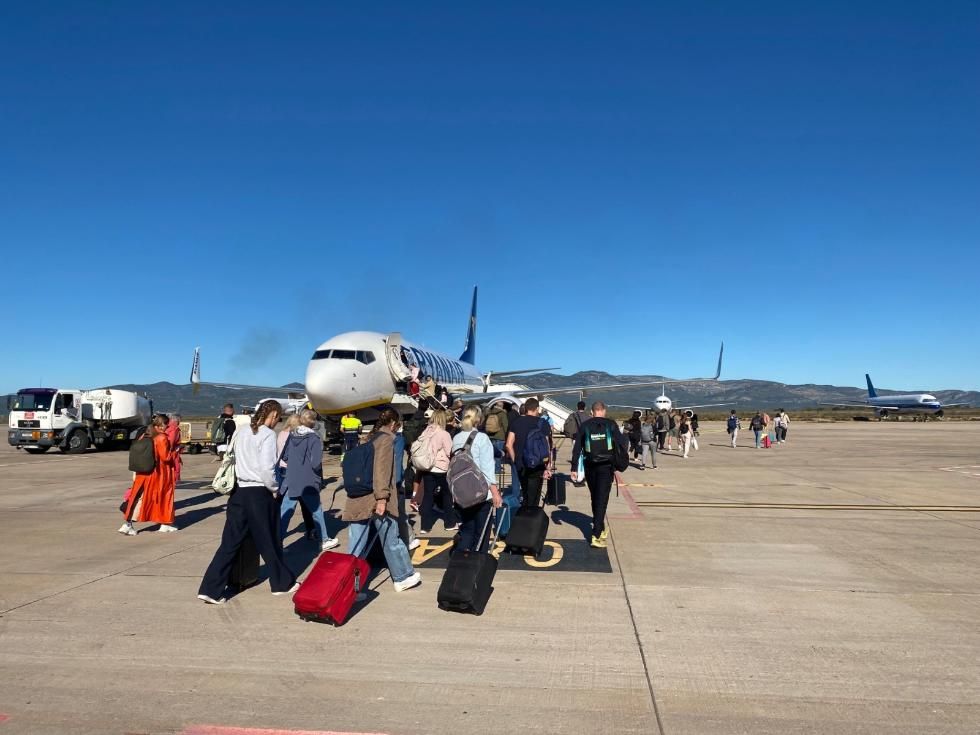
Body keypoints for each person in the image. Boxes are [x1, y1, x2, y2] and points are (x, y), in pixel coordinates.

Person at [198, 400, 297, 604]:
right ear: (273, 415)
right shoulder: (268, 435)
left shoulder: (242, 431)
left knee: (229, 543)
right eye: (277, 418)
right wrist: (275, 489)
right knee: (268, 541)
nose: (277, 422)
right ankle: (281, 583)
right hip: (259, 493)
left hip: (239, 492)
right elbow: (267, 468)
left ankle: (210, 588)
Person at [343, 407, 421, 592]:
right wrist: (382, 498)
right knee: (391, 538)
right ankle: (403, 577)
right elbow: (382, 471)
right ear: (393, 424)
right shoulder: (386, 440)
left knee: (356, 546)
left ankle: (350, 586)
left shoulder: (368, 438)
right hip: (376, 498)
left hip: (357, 498)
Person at [279, 409, 339, 552]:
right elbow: (315, 463)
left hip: (291, 478)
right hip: (307, 480)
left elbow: (285, 456)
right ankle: (324, 539)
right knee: (316, 510)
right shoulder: (313, 438)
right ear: (313, 422)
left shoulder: (292, 435)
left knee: (286, 510)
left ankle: (278, 542)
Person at [570, 401, 625, 549]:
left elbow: (577, 449)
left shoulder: (585, 425)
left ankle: (599, 525)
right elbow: (621, 444)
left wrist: (574, 467)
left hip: (590, 466)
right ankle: (596, 534)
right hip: (606, 467)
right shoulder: (611, 424)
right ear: (604, 411)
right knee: (602, 499)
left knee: (595, 497)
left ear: (592, 411)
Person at [451, 406, 503, 551]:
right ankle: (477, 563)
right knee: (482, 533)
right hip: (480, 492)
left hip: (462, 493)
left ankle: (460, 562)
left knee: (467, 530)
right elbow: (487, 468)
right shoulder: (482, 438)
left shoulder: (456, 438)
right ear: (478, 420)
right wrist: (495, 492)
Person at [119, 414, 177, 535]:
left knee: (138, 497)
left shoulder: (145, 434)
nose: (167, 427)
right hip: (158, 474)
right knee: (159, 498)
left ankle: (129, 524)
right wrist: (175, 452)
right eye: (166, 424)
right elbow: (165, 457)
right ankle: (162, 522)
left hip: (143, 471)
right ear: (161, 425)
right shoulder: (161, 437)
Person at [505, 397, 553, 509]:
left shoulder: (516, 422)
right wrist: (548, 466)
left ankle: (525, 515)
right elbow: (547, 446)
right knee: (534, 497)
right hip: (538, 465)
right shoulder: (543, 423)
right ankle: (531, 519)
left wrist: (515, 460)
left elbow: (508, 444)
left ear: (526, 409)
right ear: (537, 409)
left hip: (521, 464)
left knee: (525, 492)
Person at [416, 409, 457, 534]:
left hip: (427, 467)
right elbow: (450, 451)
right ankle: (449, 523)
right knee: (447, 495)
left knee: (428, 496)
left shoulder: (426, 431)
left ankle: (425, 526)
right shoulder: (444, 434)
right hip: (441, 467)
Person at [275, 414, 316, 540]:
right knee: (303, 503)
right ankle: (311, 530)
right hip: (293, 471)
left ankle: (277, 533)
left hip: (280, 470)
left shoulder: (281, 433)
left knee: (281, 504)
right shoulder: (295, 436)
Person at [484, 400, 510, 476]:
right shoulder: (502, 414)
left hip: (490, 435)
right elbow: (506, 426)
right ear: (502, 406)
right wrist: (507, 435)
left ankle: (491, 468)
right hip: (500, 436)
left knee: (491, 454)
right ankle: (497, 469)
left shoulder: (490, 412)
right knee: (498, 454)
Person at [165, 413, 183, 486]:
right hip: (173, 453)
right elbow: (171, 442)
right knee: (175, 468)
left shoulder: (168, 428)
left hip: (170, 452)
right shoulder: (174, 429)